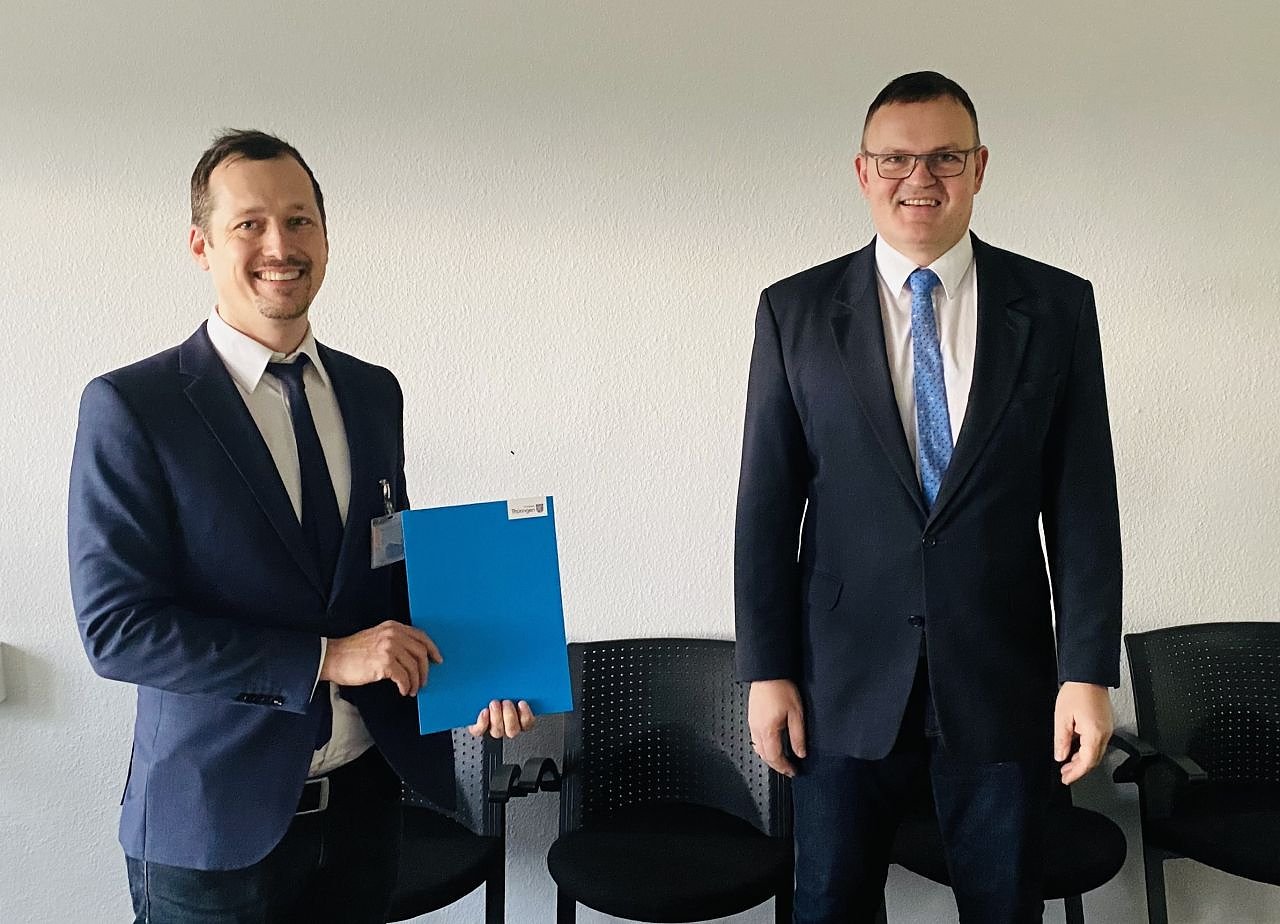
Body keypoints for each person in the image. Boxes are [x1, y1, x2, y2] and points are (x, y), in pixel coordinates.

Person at [68, 130, 534, 924]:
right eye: (248, 224)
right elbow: (118, 631)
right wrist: (325, 657)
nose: (279, 246)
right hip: (212, 827)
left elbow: (389, 569)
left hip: (364, 808)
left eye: (299, 220)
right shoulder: (134, 408)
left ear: (325, 236)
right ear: (201, 245)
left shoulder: (373, 392)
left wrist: (486, 670)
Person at [734, 72, 1121, 923]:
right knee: (829, 903)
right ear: (863, 171)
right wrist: (767, 669)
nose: (921, 178)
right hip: (838, 680)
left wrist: (1087, 672)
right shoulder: (794, 312)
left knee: (1005, 903)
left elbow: (1085, 507)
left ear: (979, 167)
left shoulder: (1057, 306)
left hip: (1001, 672)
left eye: (945, 157)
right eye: (896, 159)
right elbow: (766, 508)